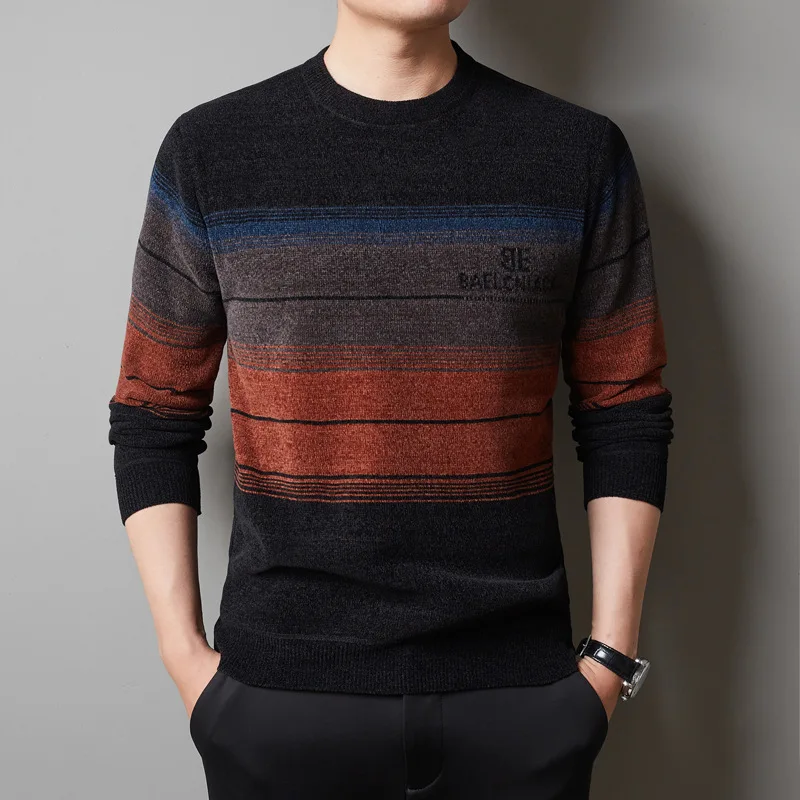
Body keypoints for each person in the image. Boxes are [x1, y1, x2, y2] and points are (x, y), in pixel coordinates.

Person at [108, 1, 674, 797]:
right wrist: (185, 659)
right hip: (280, 699)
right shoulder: (212, 151)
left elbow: (625, 409)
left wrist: (608, 663)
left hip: (520, 699)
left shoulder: (575, 153)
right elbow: (152, 411)